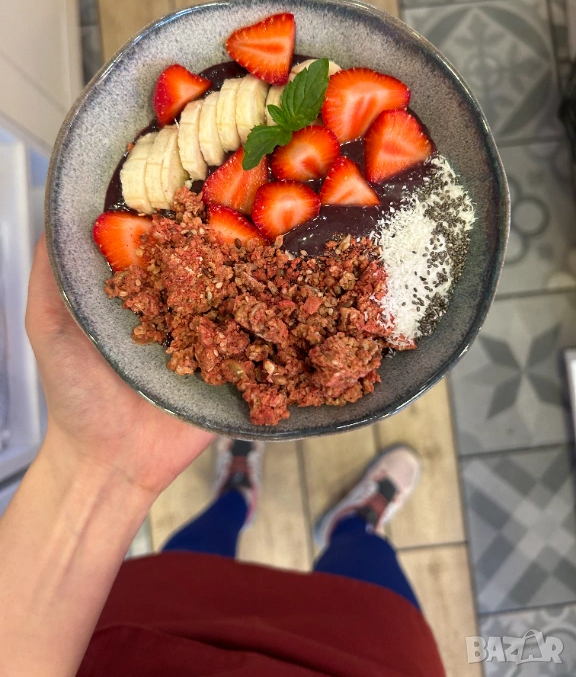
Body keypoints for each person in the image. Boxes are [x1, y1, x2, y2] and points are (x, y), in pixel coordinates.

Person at [0, 239, 445, 677]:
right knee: (368, 568)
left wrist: (95, 467)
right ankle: (354, 523)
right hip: (365, 656)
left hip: (150, 630)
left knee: (190, 568)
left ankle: (235, 495)